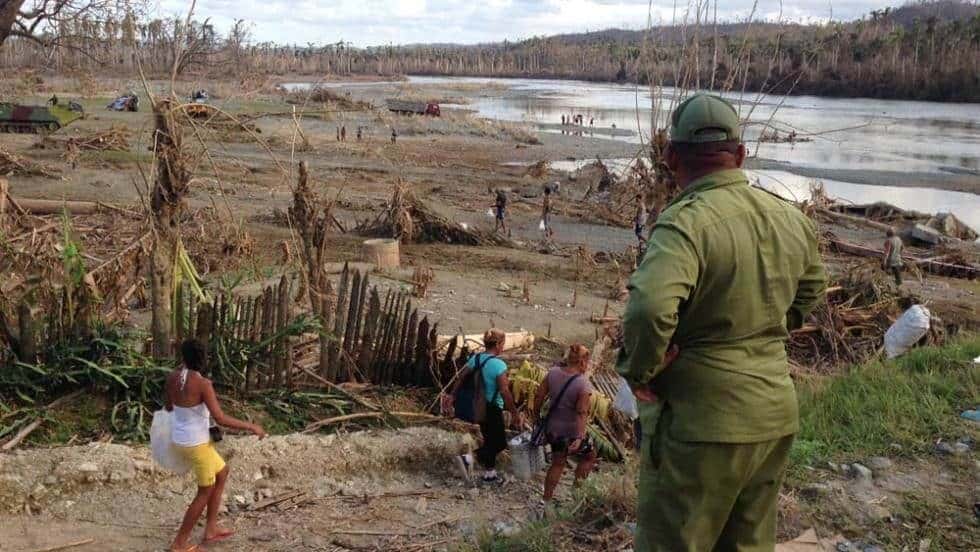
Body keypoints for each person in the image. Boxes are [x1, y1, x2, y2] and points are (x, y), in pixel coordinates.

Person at [617, 94, 826, 552]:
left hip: (699, 423)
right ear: (741, 154)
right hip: (772, 414)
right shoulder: (791, 219)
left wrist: (641, 369)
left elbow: (649, 307)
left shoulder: (684, 225)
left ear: (672, 157)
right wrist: (766, 329)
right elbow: (812, 290)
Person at [166, 339, 267, 552]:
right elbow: (220, 418)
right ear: (203, 359)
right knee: (205, 491)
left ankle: (210, 529)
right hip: (197, 445)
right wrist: (251, 426)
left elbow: (169, 407)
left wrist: (189, 414)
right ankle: (178, 544)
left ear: (183, 357)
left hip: (182, 439)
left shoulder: (172, 378)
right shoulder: (203, 384)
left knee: (222, 472)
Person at [450, 330, 522, 483]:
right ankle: (467, 459)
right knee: (499, 443)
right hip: (492, 407)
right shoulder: (498, 365)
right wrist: (514, 412)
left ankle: (490, 472)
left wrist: (452, 396)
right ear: (497, 344)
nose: (503, 347)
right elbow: (504, 391)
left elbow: (460, 378)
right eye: (503, 344)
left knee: (489, 439)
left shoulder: (475, 359)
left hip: (477, 405)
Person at [532, 344, 598, 503]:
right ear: (582, 362)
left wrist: (536, 416)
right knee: (589, 456)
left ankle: (546, 500)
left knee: (557, 463)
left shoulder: (553, 373)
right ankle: (576, 495)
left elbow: (539, 395)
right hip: (571, 431)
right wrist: (580, 436)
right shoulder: (583, 384)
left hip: (552, 429)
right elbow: (582, 412)